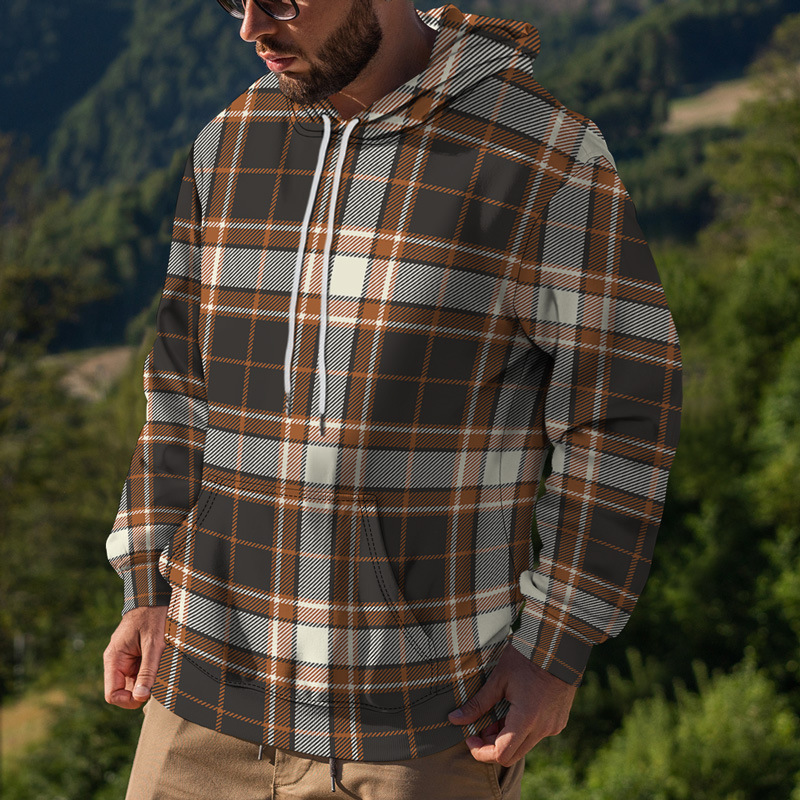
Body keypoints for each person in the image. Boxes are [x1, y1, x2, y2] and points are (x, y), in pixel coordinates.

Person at [103, 0, 683, 797]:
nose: (251, 28)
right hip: (198, 705)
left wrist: (557, 646)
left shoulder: (544, 157)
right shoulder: (230, 142)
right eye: (234, 0)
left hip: (419, 732)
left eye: (281, 1)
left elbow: (623, 415)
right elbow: (178, 386)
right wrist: (146, 582)